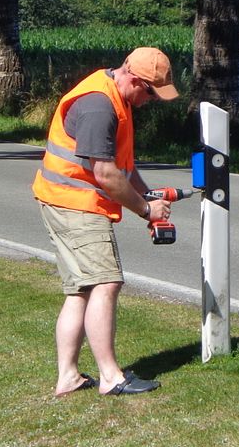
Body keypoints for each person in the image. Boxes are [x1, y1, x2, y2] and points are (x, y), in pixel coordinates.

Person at [32, 47, 178, 397]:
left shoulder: (117, 95)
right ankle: (111, 377)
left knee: (81, 289)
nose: (150, 101)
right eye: (150, 92)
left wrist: (148, 195)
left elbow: (123, 166)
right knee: (106, 282)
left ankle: (68, 377)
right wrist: (145, 210)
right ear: (132, 77)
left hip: (63, 201)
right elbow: (106, 173)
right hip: (76, 205)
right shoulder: (99, 105)